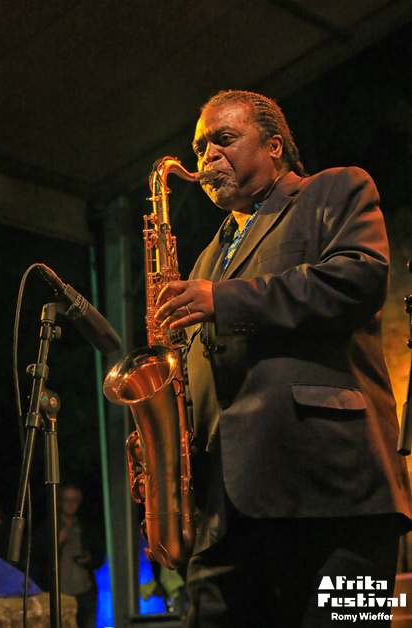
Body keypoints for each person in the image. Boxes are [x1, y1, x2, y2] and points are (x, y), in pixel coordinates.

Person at [154, 90, 412, 627]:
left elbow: (357, 280)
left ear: (275, 147)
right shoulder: (205, 258)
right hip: (225, 519)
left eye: (224, 139)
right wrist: (171, 482)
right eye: (200, 148)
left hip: (338, 499)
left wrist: (224, 300)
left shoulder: (336, 188)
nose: (207, 157)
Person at [31, 485, 105, 628]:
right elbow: (36, 557)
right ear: (60, 502)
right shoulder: (49, 526)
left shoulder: (87, 528)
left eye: (74, 500)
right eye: (67, 500)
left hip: (84, 593)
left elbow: (99, 557)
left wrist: (89, 559)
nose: (71, 504)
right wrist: (56, 543)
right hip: (57, 596)